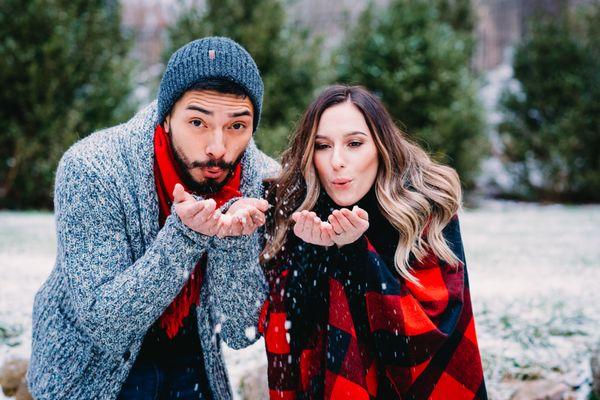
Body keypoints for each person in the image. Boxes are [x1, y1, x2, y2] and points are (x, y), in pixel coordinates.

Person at [27, 37, 279, 400]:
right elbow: (107, 325)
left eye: (237, 126)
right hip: (88, 369)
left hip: (191, 351)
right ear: (166, 116)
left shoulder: (261, 182)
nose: (217, 147)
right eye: (197, 122)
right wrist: (186, 237)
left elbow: (241, 332)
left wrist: (234, 239)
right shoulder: (93, 168)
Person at [260, 85, 487, 399]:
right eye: (322, 146)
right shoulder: (298, 209)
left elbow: (424, 339)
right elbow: (297, 334)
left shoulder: (424, 205)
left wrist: (356, 254)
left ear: (381, 145)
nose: (337, 161)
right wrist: (312, 253)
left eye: (354, 143)